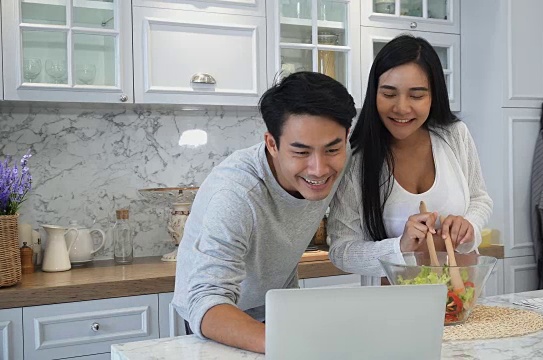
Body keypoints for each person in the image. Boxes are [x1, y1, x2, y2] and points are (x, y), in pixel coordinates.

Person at [172, 71, 356, 353]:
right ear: (272, 144)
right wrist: (288, 343)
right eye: (301, 152)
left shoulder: (341, 161)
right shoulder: (235, 194)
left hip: (279, 309)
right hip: (220, 318)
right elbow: (205, 299)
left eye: (332, 149)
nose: (319, 169)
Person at [327, 34, 493, 285]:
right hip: (396, 303)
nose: (402, 108)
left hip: (464, 294)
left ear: (433, 96)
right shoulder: (357, 159)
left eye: (416, 95)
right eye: (389, 94)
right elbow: (341, 251)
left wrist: (469, 226)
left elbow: (480, 198)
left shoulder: (454, 134)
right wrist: (400, 247)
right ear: (374, 94)